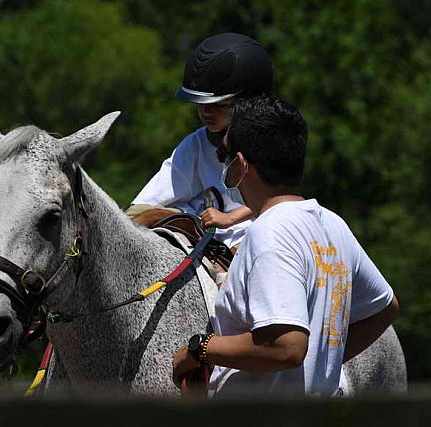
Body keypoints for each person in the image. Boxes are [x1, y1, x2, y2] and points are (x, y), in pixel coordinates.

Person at [172, 97, 399, 397]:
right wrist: (323, 360)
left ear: (241, 166)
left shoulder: (269, 232)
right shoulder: (333, 225)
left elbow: (287, 347)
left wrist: (200, 349)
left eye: (226, 156)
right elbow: (385, 308)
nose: (224, 166)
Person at [129, 32, 274, 248]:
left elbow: (276, 197)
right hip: (208, 236)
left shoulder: (270, 143)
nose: (206, 112)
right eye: (200, 103)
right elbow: (145, 204)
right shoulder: (196, 143)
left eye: (219, 105)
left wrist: (230, 219)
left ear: (249, 101)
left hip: (253, 235)